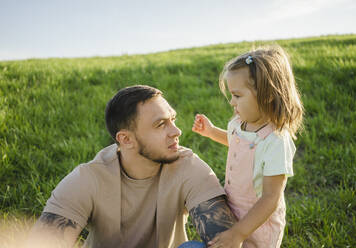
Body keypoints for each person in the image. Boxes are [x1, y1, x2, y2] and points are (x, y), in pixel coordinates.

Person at [27, 85, 236, 248]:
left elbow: (224, 238)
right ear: (126, 139)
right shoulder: (87, 178)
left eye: (173, 119)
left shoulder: (189, 166)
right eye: (161, 124)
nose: (176, 131)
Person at [192, 45, 304, 248]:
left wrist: (239, 232)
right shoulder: (238, 123)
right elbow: (237, 143)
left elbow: (271, 198)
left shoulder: (275, 141)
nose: (232, 102)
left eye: (238, 95)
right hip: (233, 208)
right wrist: (211, 132)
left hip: (258, 221)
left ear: (266, 94)